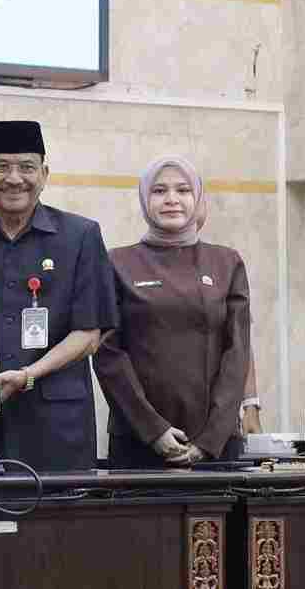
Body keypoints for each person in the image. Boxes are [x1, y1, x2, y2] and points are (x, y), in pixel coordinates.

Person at [0, 120, 118, 470]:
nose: (14, 178)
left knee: (60, 506)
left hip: (58, 423)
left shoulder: (81, 236)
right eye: (1, 166)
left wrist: (28, 374)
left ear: (44, 174)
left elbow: (89, 334)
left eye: (27, 167)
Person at [93, 156, 251, 468]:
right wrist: (154, 430)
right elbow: (107, 353)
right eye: (159, 190)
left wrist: (210, 440)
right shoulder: (116, 262)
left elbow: (238, 352)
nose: (171, 199)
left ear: (197, 197)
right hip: (138, 440)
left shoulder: (227, 262)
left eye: (183, 190)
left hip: (215, 444)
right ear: (144, 198)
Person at [195, 195, 264, 435]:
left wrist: (251, 404)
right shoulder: (136, 262)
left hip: (217, 415)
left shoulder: (223, 263)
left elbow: (240, 342)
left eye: (191, 195)